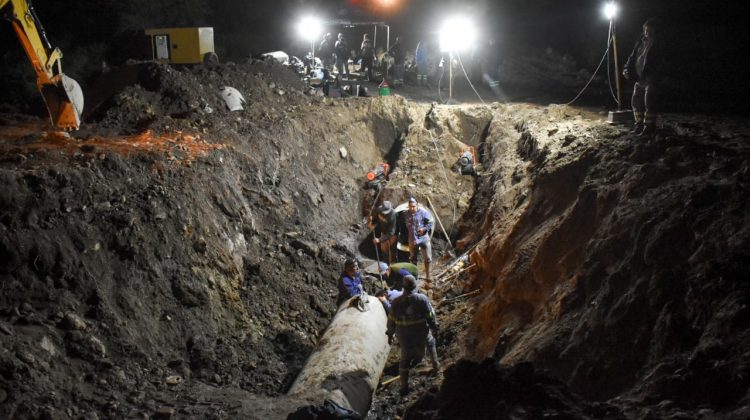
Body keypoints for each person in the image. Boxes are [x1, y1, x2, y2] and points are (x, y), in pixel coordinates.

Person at [386, 275, 440, 395]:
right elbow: (431, 316)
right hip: (422, 333)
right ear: (415, 286)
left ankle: (404, 387)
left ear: (403, 287)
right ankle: (436, 368)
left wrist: (390, 334)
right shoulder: (422, 299)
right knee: (431, 344)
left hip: (405, 338)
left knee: (404, 360)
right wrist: (434, 327)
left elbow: (391, 321)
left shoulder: (396, 302)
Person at [623, 18, 663, 136]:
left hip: (650, 78)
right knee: (636, 101)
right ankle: (639, 124)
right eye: (646, 30)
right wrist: (626, 69)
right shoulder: (640, 42)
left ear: (655, 31)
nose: (647, 33)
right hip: (639, 77)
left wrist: (656, 75)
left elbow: (661, 62)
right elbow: (632, 57)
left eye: (650, 31)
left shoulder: (658, 44)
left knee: (649, 101)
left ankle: (649, 126)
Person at [405, 197, 434, 284]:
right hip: (412, 240)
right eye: (410, 206)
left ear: (417, 205)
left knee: (428, 258)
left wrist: (425, 229)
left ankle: (428, 275)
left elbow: (431, 222)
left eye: (413, 206)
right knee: (413, 259)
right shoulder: (406, 214)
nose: (412, 208)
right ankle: (415, 276)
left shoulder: (423, 212)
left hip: (423, 239)